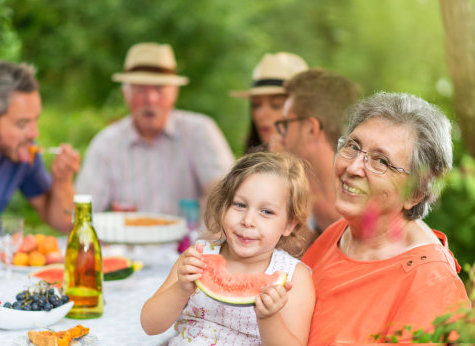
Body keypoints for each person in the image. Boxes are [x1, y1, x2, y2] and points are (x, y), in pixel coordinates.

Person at [302, 92, 470, 344]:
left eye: (381, 161)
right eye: (353, 146)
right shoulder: (340, 232)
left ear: (416, 193)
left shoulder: (430, 285)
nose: (353, 167)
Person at [141, 151, 315, 345]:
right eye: (239, 205)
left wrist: (268, 318)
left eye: (266, 212)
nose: (248, 221)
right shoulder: (197, 257)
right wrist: (180, 289)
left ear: (289, 224)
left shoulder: (293, 277)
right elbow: (150, 325)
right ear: (223, 206)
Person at [75, 42, 234, 214]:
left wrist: (215, 198)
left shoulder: (200, 131)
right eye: (140, 89)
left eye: (159, 89)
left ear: (174, 93)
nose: (150, 99)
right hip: (128, 240)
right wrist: (63, 181)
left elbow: (227, 191)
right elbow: (82, 211)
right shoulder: (107, 142)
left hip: (190, 241)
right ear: (125, 94)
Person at [0, 61, 81, 255]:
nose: (34, 133)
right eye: (22, 123)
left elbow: (64, 223)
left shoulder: (20, 151)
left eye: (35, 119)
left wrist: (63, 181)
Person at [271, 68, 361, 235]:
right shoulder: (305, 193)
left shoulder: (361, 205)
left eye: (286, 124)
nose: (280, 137)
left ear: (311, 129)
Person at [230, 52, 308, 153]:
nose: (261, 115)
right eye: (256, 105)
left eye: (276, 105)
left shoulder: (327, 163)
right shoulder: (249, 165)